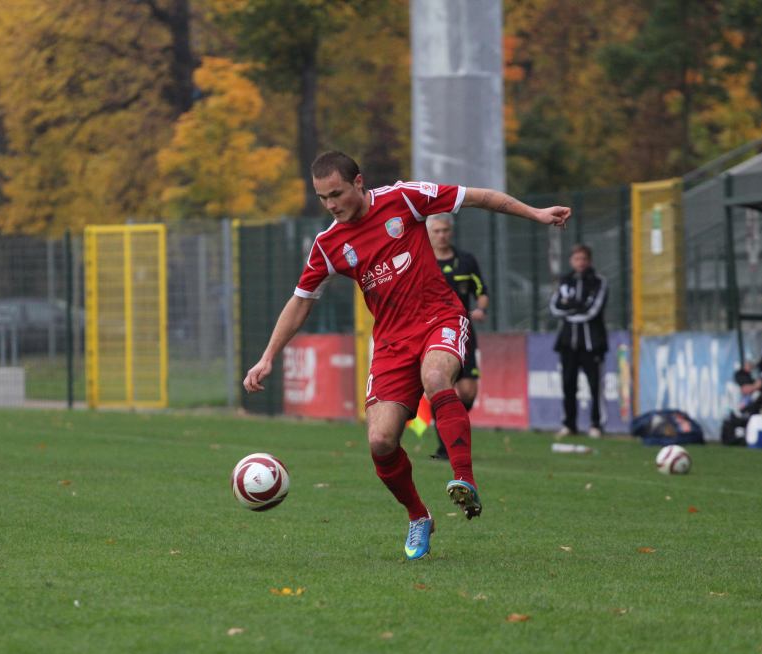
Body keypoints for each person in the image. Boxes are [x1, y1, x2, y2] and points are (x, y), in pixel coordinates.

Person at [243, 151, 570, 560]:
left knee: (437, 378)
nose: (331, 205)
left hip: (440, 317)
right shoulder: (328, 244)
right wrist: (268, 356)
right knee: (380, 441)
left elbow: (479, 197)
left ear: (358, 182)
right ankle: (419, 515)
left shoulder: (405, 199)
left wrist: (536, 214)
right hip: (391, 343)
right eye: (323, 197)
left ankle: (463, 479)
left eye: (337, 193)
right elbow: (300, 301)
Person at [424, 213, 488, 461]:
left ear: (451, 231)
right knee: (442, 385)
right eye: (436, 231)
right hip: (433, 332)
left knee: (468, 394)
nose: (441, 235)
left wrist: (481, 308)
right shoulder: (422, 261)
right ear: (429, 233)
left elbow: (482, 291)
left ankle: (449, 421)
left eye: (445, 230)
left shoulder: (466, 261)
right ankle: (445, 447)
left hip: (464, 332)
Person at [549, 244, 608, 439]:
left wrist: (570, 309)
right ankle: (569, 424)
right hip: (567, 343)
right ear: (571, 261)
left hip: (592, 344)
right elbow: (555, 308)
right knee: (568, 385)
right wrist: (576, 307)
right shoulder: (565, 281)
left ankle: (596, 424)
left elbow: (592, 310)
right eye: (577, 259)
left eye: (583, 259)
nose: (580, 263)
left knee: (595, 385)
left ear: (589, 261)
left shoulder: (599, 282)